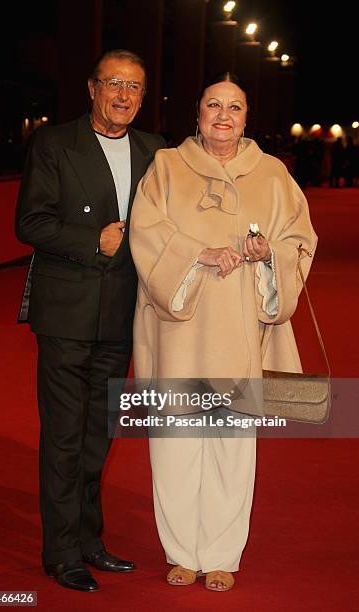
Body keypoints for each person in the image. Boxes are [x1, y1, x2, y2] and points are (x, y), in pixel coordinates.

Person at [129, 73, 317, 592]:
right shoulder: (166, 168)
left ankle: (221, 554)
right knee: (176, 442)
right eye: (214, 104)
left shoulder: (274, 175)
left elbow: (299, 241)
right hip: (178, 330)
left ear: (246, 119)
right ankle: (182, 551)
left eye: (235, 107)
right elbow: (145, 234)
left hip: (240, 329)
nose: (224, 115)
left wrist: (268, 256)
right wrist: (198, 253)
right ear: (198, 113)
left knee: (232, 444)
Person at [15, 49, 165, 592]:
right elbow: (29, 221)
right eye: (114, 84)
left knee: (98, 434)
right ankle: (60, 552)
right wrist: (89, 241)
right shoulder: (56, 143)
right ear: (92, 88)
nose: (124, 96)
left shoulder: (156, 151)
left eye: (135, 87)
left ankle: (89, 540)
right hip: (66, 312)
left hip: (124, 314)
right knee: (63, 435)